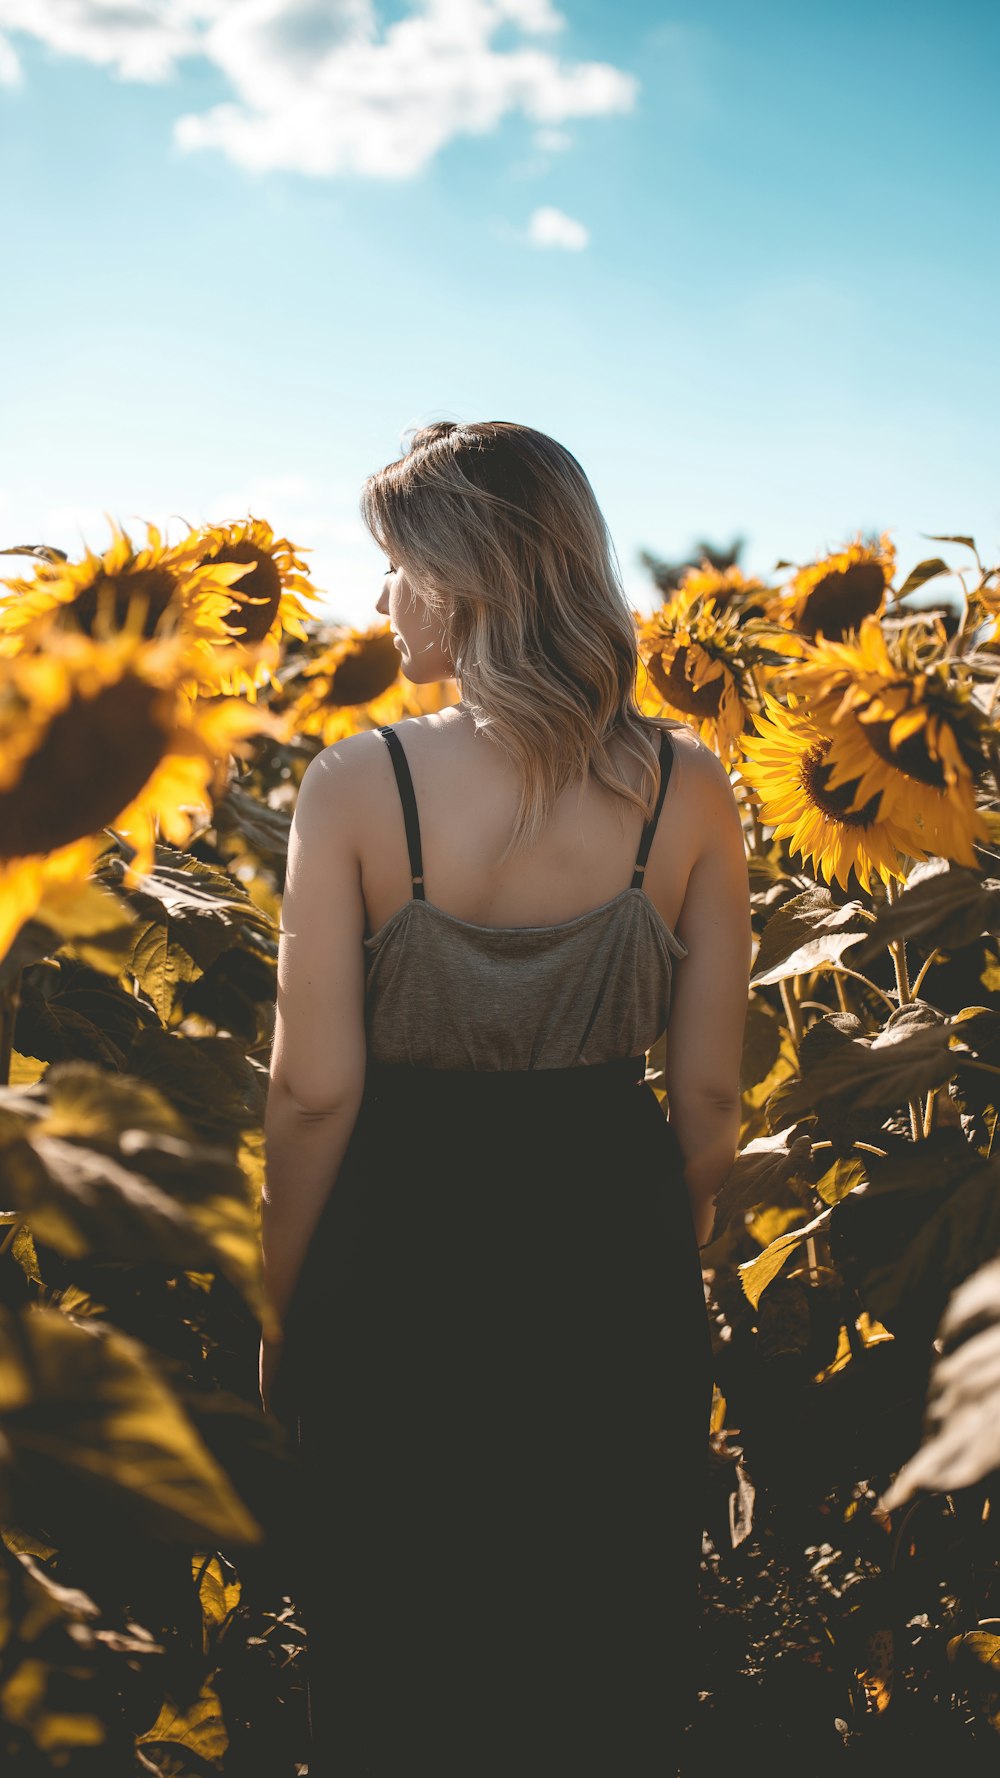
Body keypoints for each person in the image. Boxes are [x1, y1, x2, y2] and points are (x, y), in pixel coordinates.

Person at [261, 420, 751, 1776]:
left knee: (393, 1656)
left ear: (468, 575)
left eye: (396, 567)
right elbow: (709, 1090)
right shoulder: (690, 789)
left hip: (395, 1247)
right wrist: (654, 1242)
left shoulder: (359, 784)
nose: (380, 603)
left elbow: (311, 1090)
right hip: (611, 1240)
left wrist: (282, 1302)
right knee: (604, 1662)